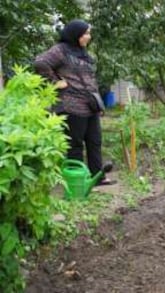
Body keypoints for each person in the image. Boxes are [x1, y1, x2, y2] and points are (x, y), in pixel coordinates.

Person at [34, 19, 115, 185]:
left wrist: (98, 102)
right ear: (75, 34)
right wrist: (55, 81)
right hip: (71, 106)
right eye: (86, 33)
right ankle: (77, 180)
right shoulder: (61, 50)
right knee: (75, 144)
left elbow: (90, 79)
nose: (89, 37)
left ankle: (97, 177)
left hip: (90, 105)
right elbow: (40, 63)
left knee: (95, 141)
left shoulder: (83, 53)